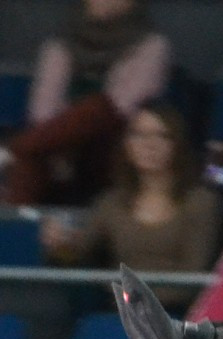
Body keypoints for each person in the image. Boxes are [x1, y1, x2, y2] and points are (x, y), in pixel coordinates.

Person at [41, 102, 221, 311]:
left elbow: (192, 281)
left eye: (161, 136)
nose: (149, 144)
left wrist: (132, 299)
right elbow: (78, 254)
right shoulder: (111, 202)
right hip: (118, 312)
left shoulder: (201, 203)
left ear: (177, 144)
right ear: (126, 144)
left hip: (176, 316)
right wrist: (60, 245)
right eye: (138, 135)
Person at [5, 0, 170, 206]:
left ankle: (14, 149)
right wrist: (62, 141)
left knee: (98, 109)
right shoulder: (59, 45)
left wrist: (62, 135)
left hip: (117, 142)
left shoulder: (151, 45)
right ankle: (15, 229)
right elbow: (42, 111)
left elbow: (121, 106)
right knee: (31, 157)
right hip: (60, 143)